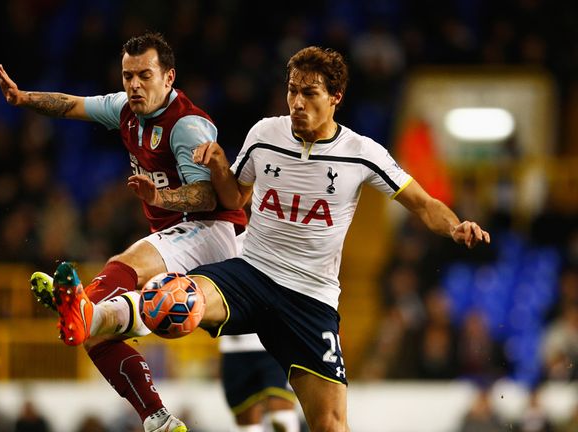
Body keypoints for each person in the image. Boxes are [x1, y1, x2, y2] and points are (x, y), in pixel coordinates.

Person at [50, 46, 490, 432]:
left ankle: (94, 316)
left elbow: (422, 203)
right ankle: (89, 317)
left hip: (310, 299)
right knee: (175, 299)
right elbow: (234, 197)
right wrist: (221, 164)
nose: (297, 102)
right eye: (292, 90)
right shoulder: (265, 134)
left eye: (310, 93)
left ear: (335, 98)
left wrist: (455, 225)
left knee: (330, 424)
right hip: (252, 272)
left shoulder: (362, 153)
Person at [0, 32, 247, 432]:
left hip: (214, 231)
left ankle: (82, 305)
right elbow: (72, 105)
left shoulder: (187, 125)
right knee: (94, 332)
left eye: (144, 75)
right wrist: (24, 99)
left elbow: (206, 195)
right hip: (177, 236)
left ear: (168, 78)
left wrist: (161, 197)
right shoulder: (125, 108)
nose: (134, 84)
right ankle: (157, 419)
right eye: (128, 76)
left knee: (125, 263)